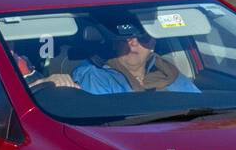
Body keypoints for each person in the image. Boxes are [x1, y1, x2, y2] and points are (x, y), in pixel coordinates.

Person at [33, 17, 200, 94]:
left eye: (143, 38)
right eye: (126, 38)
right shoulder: (95, 76)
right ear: (114, 43)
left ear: (153, 44)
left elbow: (199, 108)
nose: (133, 43)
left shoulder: (170, 73)